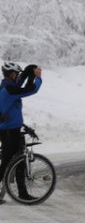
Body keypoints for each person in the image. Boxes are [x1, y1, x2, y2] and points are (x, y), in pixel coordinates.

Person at [0, 62, 42, 202]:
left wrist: (26, 72)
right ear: (12, 75)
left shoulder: (9, 87)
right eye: (17, 74)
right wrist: (37, 77)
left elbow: (19, 85)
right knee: (6, 163)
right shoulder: (9, 90)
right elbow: (31, 89)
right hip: (8, 132)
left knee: (20, 162)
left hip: (13, 130)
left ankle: (23, 193)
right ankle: (21, 193)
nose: (18, 77)